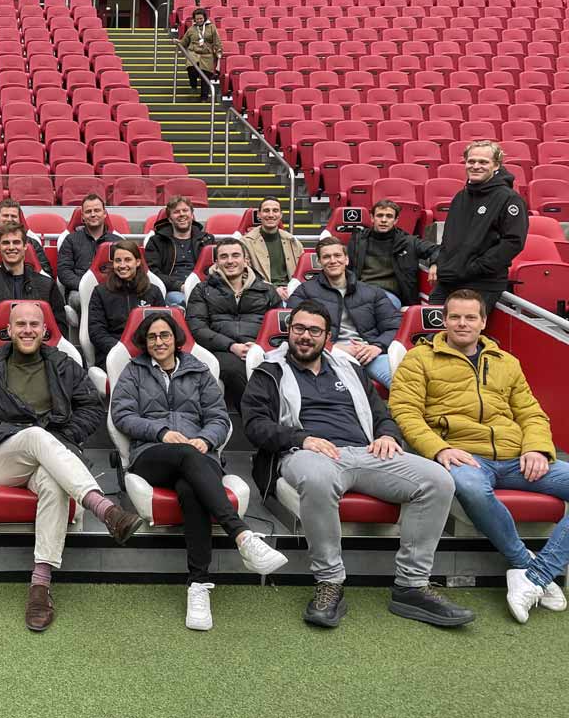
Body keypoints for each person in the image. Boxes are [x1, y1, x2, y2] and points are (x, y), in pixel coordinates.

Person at [242, 300, 474, 629]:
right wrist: (301, 438)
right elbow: (254, 424)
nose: (304, 336)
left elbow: (382, 412)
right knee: (318, 479)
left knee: (438, 480)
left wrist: (387, 435)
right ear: (289, 331)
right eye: (298, 329)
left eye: (313, 331)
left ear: (328, 337)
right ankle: (329, 582)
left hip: (366, 451)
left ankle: (411, 586)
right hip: (307, 453)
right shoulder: (270, 370)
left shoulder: (349, 369)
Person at [0, 301, 143, 631]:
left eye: (34, 325)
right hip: (4, 458)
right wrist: (5, 430)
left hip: (52, 455)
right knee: (36, 436)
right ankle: (106, 510)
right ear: (8, 330)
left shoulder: (64, 364)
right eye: (20, 325)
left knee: (52, 483)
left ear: (45, 330)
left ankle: (40, 585)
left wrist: (65, 435)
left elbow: (91, 408)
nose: (27, 330)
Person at [389, 288, 568, 624]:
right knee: (471, 487)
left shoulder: (506, 362)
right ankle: (527, 564)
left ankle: (535, 575)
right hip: (463, 455)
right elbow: (405, 411)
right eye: (455, 316)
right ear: (444, 320)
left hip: (515, 456)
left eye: (470, 317)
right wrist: (439, 449)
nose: (462, 323)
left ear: (483, 322)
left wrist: (536, 448)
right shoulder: (419, 359)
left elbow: (531, 412)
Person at [110, 312, 288, 630]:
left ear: (175, 338)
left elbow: (220, 417)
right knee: (184, 455)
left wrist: (206, 439)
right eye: (152, 337)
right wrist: (162, 432)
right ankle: (242, 535)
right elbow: (122, 415)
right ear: (144, 342)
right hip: (151, 454)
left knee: (191, 489)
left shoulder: (198, 370)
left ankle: (198, 586)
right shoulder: (133, 372)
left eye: (164, 335)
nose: (159, 342)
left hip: (199, 453)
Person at [286, 237, 400, 389]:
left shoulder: (372, 292)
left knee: (401, 383)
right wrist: (331, 347)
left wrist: (376, 347)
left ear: (346, 260)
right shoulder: (304, 292)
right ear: (319, 262)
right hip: (325, 354)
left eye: (337, 255)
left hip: (369, 353)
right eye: (326, 257)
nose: (333, 260)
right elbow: (294, 329)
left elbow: (395, 326)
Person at [430, 140, 527, 315]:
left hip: (482, 283)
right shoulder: (460, 197)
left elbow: (513, 242)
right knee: (431, 332)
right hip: (448, 280)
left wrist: (474, 268)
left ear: (496, 165)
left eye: (483, 162)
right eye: (471, 161)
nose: (476, 166)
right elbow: (449, 239)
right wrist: (439, 262)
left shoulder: (509, 198)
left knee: (460, 335)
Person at [185, 238, 282, 405]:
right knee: (235, 369)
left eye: (235, 255)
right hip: (220, 350)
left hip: (260, 349)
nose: (230, 261)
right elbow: (197, 327)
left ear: (246, 260)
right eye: (224, 257)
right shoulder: (202, 290)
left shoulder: (267, 290)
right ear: (216, 262)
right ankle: (257, 418)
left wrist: (259, 346)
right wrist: (232, 346)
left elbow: (277, 328)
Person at [0, 223, 69, 344]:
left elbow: (60, 327)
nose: (11, 247)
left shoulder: (47, 284)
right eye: (5, 243)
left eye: (16, 242)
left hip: (40, 351)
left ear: (25, 246)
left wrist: (33, 343)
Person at [347, 199, 439, 308]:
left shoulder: (408, 242)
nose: (384, 220)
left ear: (396, 220)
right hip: (362, 291)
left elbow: (439, 250)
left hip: (390, 295)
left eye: (389, 216)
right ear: (372, 218)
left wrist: (435, 263)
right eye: (380, 215)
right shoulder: (358, 240)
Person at [87, 240, 164, 363]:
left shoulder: (153, 291)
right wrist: (122, 350)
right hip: (113, 355)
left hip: (149, 354)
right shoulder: (100, 292)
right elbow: (97, 332)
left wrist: (145, 350)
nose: (122, 265)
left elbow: (162, 328)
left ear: (138, 262)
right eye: (118, 261)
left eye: (128, 260)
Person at [56, 193, 122, 312]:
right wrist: (85, 286)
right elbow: (64, 272)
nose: (93, 214)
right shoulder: (70, 240)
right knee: (82, 300)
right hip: (79, 291)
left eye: (97, 210)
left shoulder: (118, 242)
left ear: (104, 213)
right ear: (82, 217)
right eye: (88, 211)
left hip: (112, 289)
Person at [144, 195, 214, 305]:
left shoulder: (207, 240)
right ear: (170, 219)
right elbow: (153, 272)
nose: (181, 214)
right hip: (173, 290)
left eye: (185, 210)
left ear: (191, 215)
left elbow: (213, 269)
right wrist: (180, 286)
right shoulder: (156, 241)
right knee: (181, 301)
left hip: (203, 288)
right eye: (176, 212)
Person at [243, 197, 303, 300]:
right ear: (259, 215)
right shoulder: (245, 242)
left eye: (275, 211)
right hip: (261, 294)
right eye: (266, 211)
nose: (271, 215)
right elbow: (245, 275)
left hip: (292, 293)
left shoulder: (293, 241)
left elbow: (302, 273)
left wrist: (291, 289)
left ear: (281, 215)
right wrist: (273, 289)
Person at [182, 8, 222, 101]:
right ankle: (193, 86)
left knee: (206, 75)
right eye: (197, 19)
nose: (199, 20)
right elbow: (184, 42)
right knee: (191, 68)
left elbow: (217, 40)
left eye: (201, 18)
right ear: (194, 19)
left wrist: (219, 50)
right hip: (194, 53)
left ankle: (204, 97)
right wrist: (177, 42)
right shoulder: (191, 29)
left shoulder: (212, 27)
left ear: (204, 18)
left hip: (207, 54)